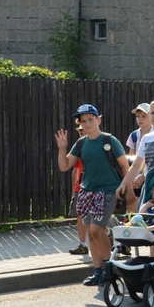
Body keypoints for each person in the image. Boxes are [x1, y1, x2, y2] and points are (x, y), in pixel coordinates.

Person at [55, 104, 130, 286]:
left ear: (99, 119)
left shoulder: (110, 141)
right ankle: (98, 272)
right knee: (90, 232)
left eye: (91, 119)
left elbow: (126, 167)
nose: (87, 124)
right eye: (83, 121)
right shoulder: (81, 143)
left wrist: (126, 190)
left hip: (108, 191)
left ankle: (109, 267)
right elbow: (64, 166)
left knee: (96, 229)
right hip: (87, 192)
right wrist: (62, 148)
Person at [68, 123, 89, 255]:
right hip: (80, 187)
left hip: (93, 186)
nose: (81, 133)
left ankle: (106, 237)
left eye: (83, 130)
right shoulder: (78, 147)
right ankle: (82, 245)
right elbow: (75, 170)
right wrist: (74, 191)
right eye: (79, 131)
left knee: (94, 218)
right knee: (80, 217)